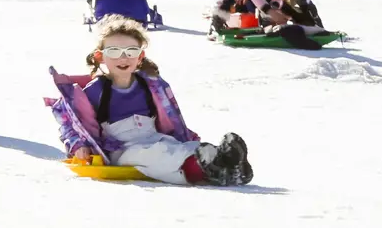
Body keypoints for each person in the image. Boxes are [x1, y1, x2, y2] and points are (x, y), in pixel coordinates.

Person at [44, 15, 252, 186]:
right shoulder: (95, 90)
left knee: (180, 148)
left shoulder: (151, 86)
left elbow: (171, 118)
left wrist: (187, 138)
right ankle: (209, 167)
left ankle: (226, 164)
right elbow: (70, 124)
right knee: (156, 155)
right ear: (100, 57)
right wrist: (79, 145)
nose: (122, 58)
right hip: (122, 148)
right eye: (114, 52)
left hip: (154, 137)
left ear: (140, 56)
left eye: (130, 52)